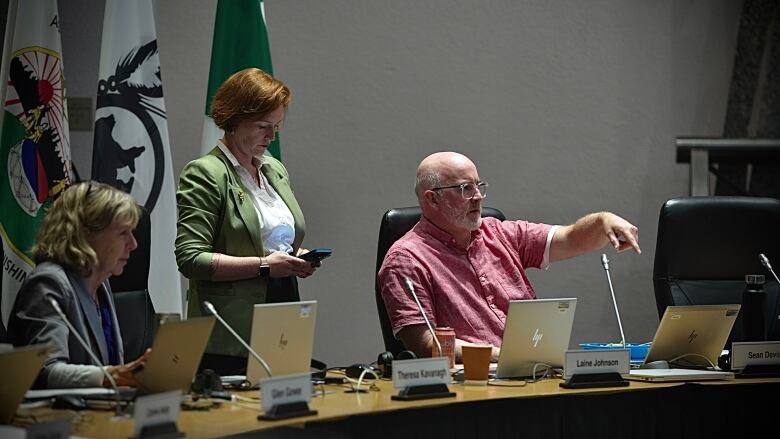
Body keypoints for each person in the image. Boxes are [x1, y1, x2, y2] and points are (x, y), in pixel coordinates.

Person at [378, 152, 641, 362]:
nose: (478, 197)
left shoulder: (500, 233)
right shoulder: (406, 259)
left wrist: (602, 221)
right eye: (465, 189)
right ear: (432, 200)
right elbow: (426, 345)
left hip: (532, 373)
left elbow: (571, 239)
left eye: (479, 186)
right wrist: (504, 356)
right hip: (471, 388)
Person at [176, 68, 318, 375]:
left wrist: (296, 257)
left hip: (283, 309)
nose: (271, 136)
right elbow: (190, 259)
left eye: (276, 126)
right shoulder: (205, 173)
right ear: (234, 119)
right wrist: (265, 265)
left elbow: (270, 240)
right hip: (231, 328)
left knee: (286, 411)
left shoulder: (274, 170)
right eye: (263, 126)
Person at [8, 182, 149, 388]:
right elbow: (47, 370)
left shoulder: (101, 284)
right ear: (86, 234)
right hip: (54, 415)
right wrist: (112, 375)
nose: (134, 244)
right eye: (122, 233)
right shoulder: (49, 283)